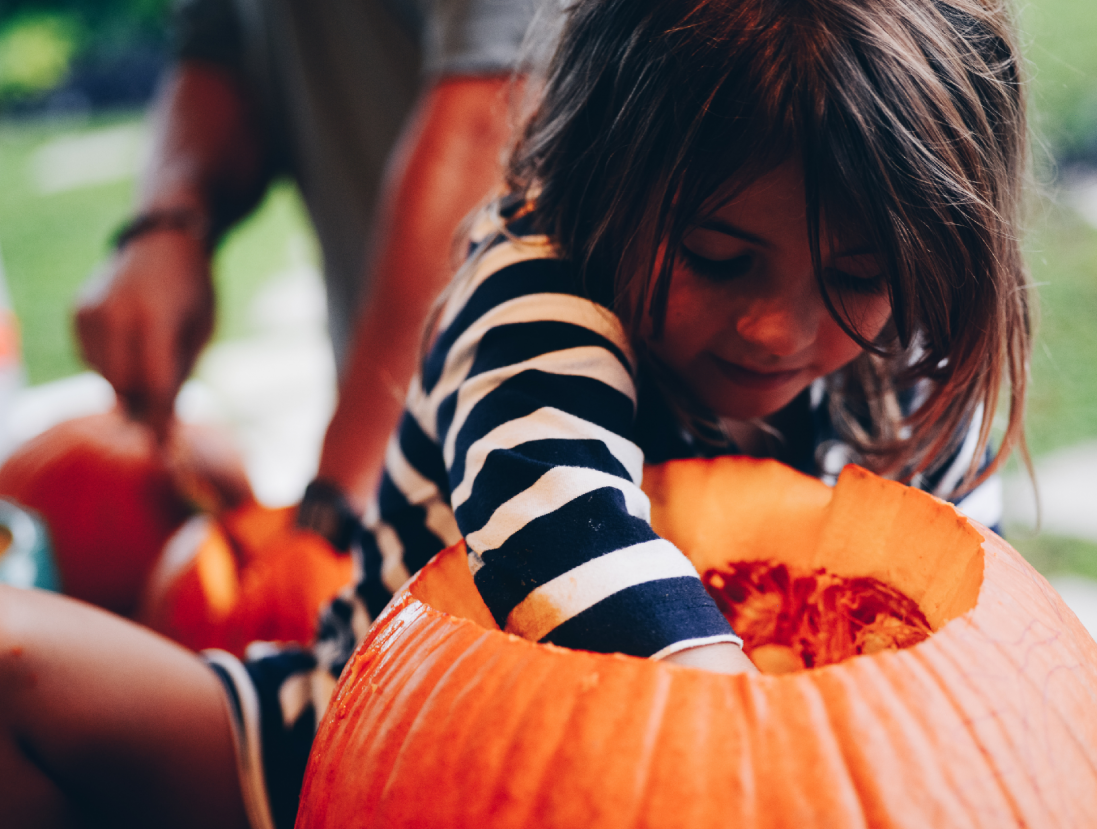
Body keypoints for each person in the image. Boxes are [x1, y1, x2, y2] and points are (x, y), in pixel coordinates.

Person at [1, 0, 1032, 826]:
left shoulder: (909, 350)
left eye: (854, 275)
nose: (775, 328)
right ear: (602, 180)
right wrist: (754, 742)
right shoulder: (533, 284)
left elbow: (950, 638)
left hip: (662, 789)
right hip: (363, 741)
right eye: (720, 259)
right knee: (18, 661)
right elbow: (559, 525)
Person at [73, 0, 562, 527]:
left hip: (571, 440)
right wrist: (169, 222)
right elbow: (221, 42)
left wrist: (340, 501)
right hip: (399, 461)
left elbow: (492, 112)